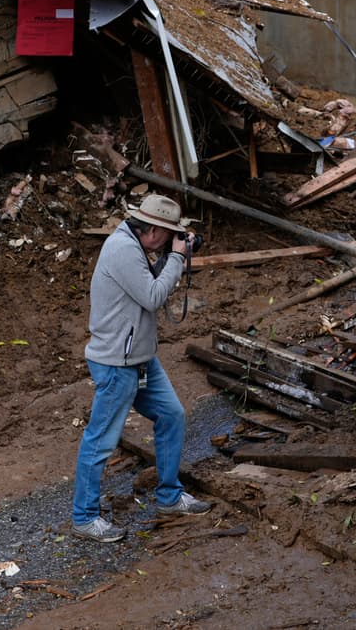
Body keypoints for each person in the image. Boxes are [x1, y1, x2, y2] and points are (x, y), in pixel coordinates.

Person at [71, 193, 212, 542]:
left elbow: (150, 292)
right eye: (168, 235)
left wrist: (172, 255)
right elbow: (152, 296)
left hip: (140, 359)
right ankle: (85, 518)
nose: (169, 240)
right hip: (118, 364)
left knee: (172, 415)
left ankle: (169, 496)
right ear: (151, 229)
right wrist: (177, 257)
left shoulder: (136, 245)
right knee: (101, 440)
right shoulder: (122, 250)